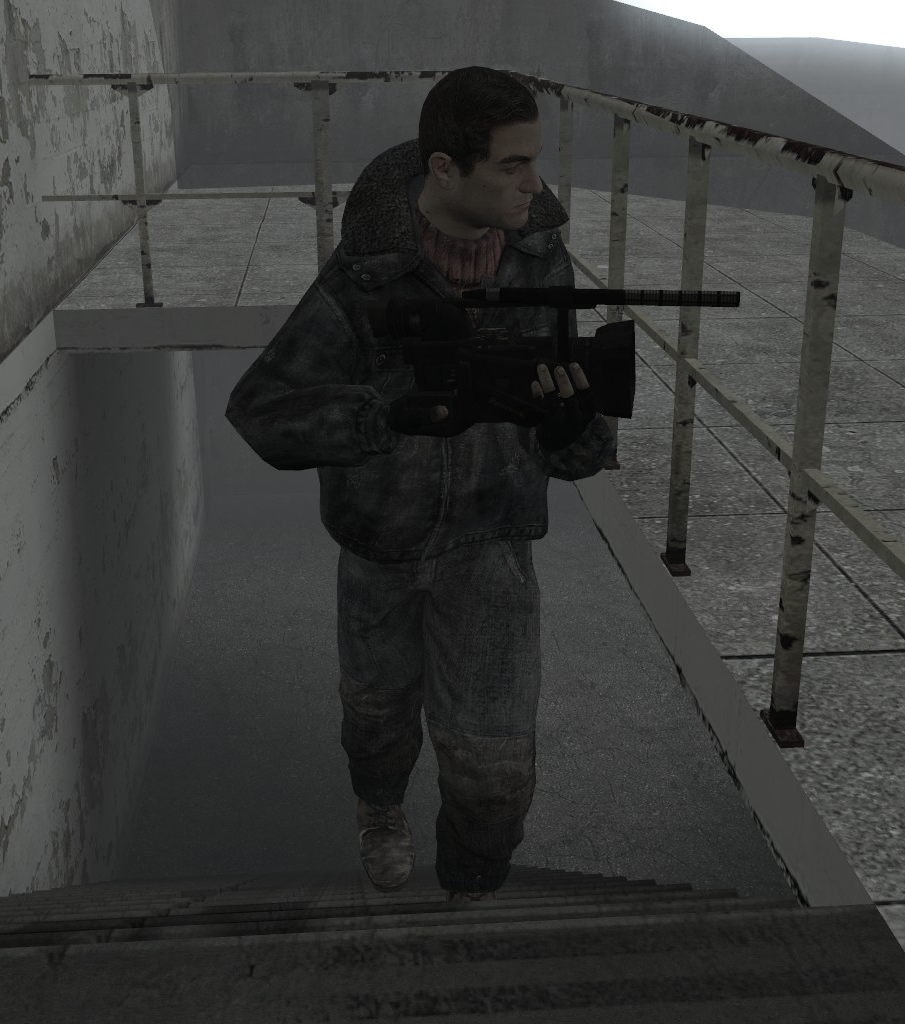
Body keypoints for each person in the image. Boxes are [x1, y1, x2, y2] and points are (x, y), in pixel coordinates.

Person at [225, 66, 616, 907]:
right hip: (380, 547)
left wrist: (567, 422)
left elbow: (579, 448)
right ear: (445, 168)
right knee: (376, 721)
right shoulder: (363, 278)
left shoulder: (539, 264)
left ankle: (472, 891)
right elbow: (260, 411)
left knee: (495, 769)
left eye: (534, 162)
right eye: (512, 165)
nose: (534, 184)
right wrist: (379, 414)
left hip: (493, 547)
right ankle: (380, 810)